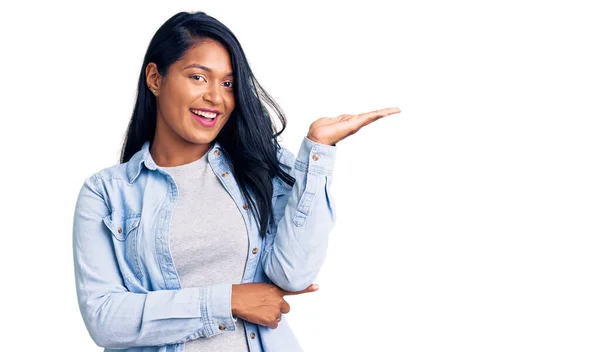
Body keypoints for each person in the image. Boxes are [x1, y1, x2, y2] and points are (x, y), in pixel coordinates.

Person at [72, 11, 400, 352]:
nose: (216, 97)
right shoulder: (108, 193)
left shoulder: (260, 167)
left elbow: (293, 274)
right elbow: (106, 320)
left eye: (228, 83)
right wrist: (228, 300)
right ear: (155, 78)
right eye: (199, 77)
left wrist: (318, 150)